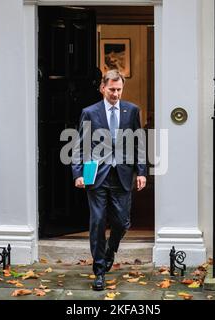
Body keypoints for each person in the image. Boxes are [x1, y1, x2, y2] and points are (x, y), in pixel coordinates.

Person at [72, 70, 147, 291]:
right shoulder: (90, 112)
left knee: (122, 222)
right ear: (103, 88)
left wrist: (141, 171)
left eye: (119, 90)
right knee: (97, 222)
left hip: (123, 174)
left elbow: (139, 143)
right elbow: (81, 145)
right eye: (111, 89)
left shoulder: (132, 110)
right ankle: (99, 271)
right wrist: (78, 174)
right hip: (96, 174)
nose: (115, 94)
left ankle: (109, 251)